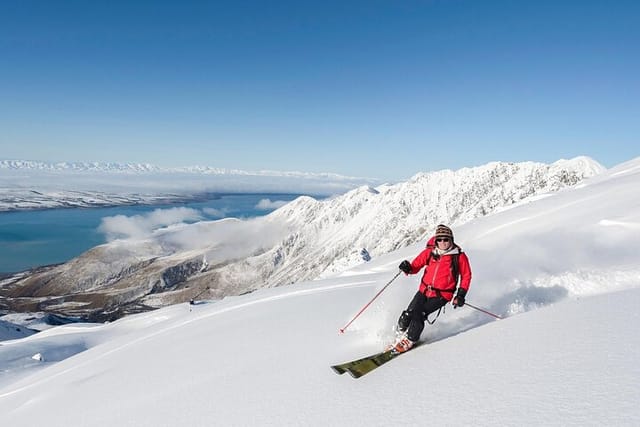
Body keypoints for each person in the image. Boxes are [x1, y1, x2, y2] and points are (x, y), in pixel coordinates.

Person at [390, 224, 472, 353]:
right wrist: (408, 268)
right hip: (424, 290)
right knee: (408, 314)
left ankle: (409, 339)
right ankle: (399, 336)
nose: (443, 242)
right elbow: (415, 266)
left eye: (446, 239)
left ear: (451, 239)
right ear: (435, 240)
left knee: (420, 314)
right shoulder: (430, 252)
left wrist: (460, 294)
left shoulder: (459, 256)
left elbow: (466, 276)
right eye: (439, 239)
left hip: (442, 295)